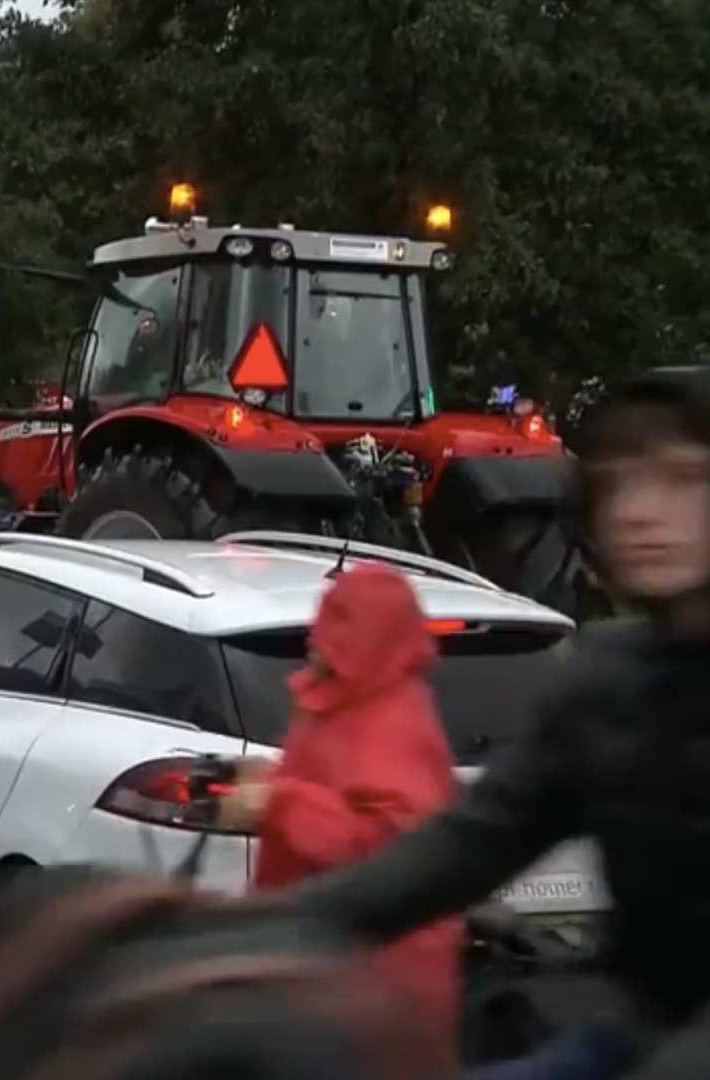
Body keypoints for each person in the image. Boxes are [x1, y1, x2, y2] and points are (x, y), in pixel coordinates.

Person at [270, 367, 710, 1080]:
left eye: (682, 480)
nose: (641, 511)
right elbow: (463, 847)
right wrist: (252, 932)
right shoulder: (608, 682)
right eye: (621, 483)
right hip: (636, 1035)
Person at [215, 562, 463, 1066]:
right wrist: (268, 779)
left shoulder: (392, 724)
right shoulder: (342, 702)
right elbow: (331, 788)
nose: (316, 634)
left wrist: (276, 802)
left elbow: (386, 848)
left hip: (377, 989)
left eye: (338, 622)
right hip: (315, 969)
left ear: (369, 636)